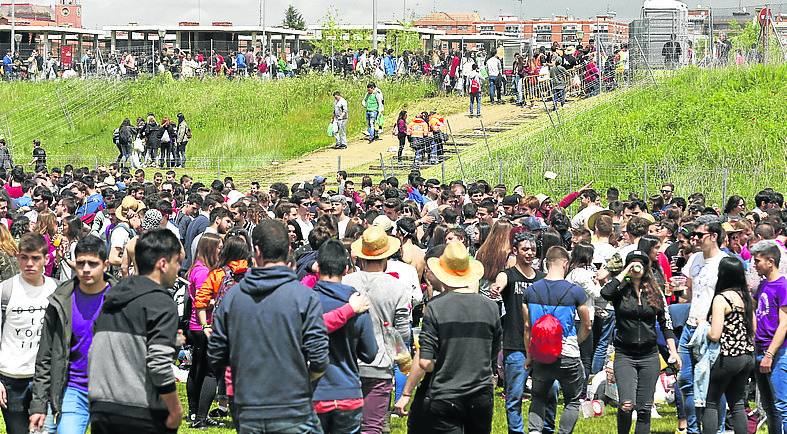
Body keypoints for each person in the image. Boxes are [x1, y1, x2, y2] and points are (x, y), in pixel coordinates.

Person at [207, 220, 328, 433]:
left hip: (249, 404)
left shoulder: (233, 296)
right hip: (292, 403)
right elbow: (319, 358)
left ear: (256, 251)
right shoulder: (305, 296)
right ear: (288, 249)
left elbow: (216, 354)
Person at [88, 229, 184, 434]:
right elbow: (158, 363)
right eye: (177, 262)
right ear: (163, 264)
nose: (179, 269)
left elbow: (100, 348)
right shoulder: (161, 302)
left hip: (102, 407)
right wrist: (175, 409)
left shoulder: (112, 297)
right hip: (141, 412)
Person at [29, 235, 116, 434]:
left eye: (92, 263)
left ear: (105, 265)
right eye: (81, 263)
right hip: (74, 389)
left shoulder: (122, 299)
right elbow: (45, 357)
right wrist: (38, 405)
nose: (85, 269)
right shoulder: (60, 300)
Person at [419, 242, 501, 433]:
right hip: (481, 392)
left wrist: (440, 364)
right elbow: (494, 350)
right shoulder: (490, 306)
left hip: (445, 393)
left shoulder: (435, 307)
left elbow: (425, 361)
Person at [601, 250, 679, 434]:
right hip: (625, 354)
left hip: (649, 355)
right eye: (632, 263)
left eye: (640, 263)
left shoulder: (654, 291)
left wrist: (673, 351)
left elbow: (665, 323)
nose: (636, 267)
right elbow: (605, 292)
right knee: (627, 404)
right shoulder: (620, 290)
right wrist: (624, 273)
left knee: (644, 408)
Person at [343, 226, 410, 434]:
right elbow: (403, 333)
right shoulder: (398, 287)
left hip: (348, 363)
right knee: (373, 426)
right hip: (380, 365)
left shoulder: (346, 282)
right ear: (386, 257)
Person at [522, 245, 591, 434]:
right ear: (566, 263)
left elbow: (527, 327)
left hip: (541, 354)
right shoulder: (575, 292)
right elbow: (587, 325)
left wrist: (529, 356)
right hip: (568, 353)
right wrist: (576, 341)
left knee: (538, 397)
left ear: (546, 263)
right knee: (572, 400)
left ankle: (535, 431)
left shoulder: (531, 291)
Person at [312, 239, 378, 433]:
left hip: (315, 392)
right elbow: (369, 353)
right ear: (347, 269)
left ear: (318, 267)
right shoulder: (357, 303)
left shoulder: (306, 300)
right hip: (347, 391)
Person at [0, 233, 58, 434]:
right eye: (24, 257)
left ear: (46, 259)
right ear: (17, 257)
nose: (29, 264)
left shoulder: (57, 290)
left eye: (35, 258)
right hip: (10, 378)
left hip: (45, 378)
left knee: (45, 431)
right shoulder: (5, 291)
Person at [489, 231, 546, 434]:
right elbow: (500, 281)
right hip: (515, 344)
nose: (529, 253)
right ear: (515, 251)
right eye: (525, 249)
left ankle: (537, 429)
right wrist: (496, 288)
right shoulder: (509, 275)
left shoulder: (542, 279)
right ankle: (516, 431)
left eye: (532, 249)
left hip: (541, 344)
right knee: (514, 395)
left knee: (546, 392)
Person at [677, 219, 728, 434]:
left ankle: (717, 428)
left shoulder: (724, 263)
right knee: (686, 380)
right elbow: (689, 291)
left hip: (711, 328)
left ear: (713, 236)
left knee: (713, 384)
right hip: (690, 326)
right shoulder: (695, 258)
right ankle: (693, 429)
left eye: (699, 234)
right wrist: (678, 290)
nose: (694, 239)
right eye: (693, 235)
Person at [193, 235, 249, 427]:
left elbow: (200, 301)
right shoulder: (253, 273)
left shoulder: (217, 274)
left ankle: (200, 418)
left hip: (221, 329)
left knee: (211, 373)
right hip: (246, 329)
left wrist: (205, 326)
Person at [703, 257, 755, 434]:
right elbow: (753, 329)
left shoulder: (722, 299)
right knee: (737, 403)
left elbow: (715, 334)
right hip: (747, 356)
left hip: (727, 356)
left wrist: (705, 330)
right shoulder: (746, 298)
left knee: (711, 400)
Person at [750, 240, 787, 434]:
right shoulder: (763, 285)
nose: (754, 265)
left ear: (770, 261)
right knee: (769, 405)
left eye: (757, 261)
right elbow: (757, 312)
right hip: (760, 348)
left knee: (783, 405)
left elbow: (785, 323)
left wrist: (770, 354)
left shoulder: (783, 286)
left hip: (778, 352)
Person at [185, 233, 221, 424]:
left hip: (196, 325)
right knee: (209, 371)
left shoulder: (197, 269)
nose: (221, 251)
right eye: (219, 248)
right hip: (203, 325)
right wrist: (221, 299)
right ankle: (200, 416)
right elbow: (202, 301)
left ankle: (194, 412)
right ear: (210, 249)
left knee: (197, 368)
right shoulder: (203, 273)